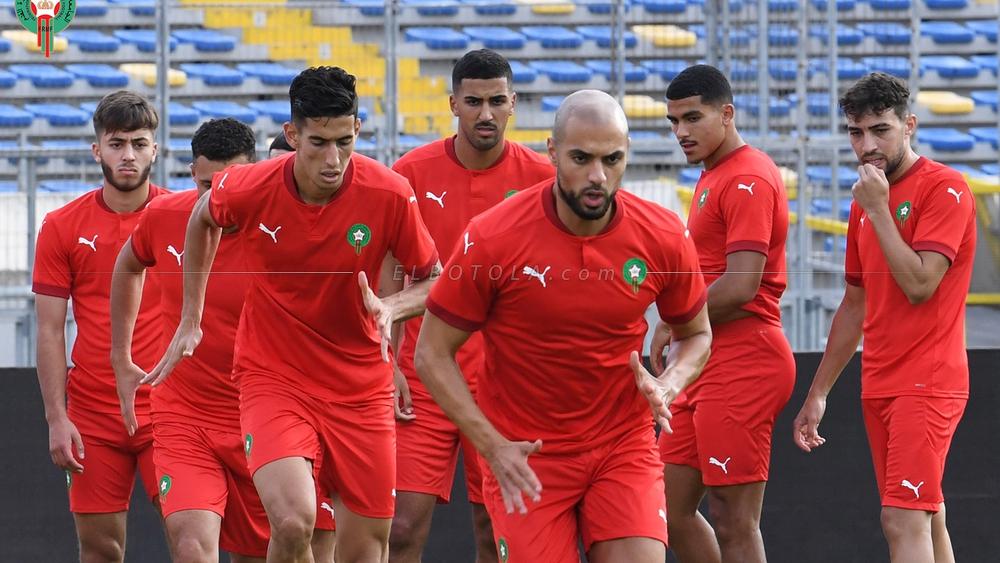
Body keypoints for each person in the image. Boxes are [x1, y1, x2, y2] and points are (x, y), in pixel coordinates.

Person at [149, 66, 440, 563]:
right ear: (292, 135)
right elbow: (202, 218)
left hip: (359, 387)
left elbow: (434, 278)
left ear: (358, 129)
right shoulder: (250, 184)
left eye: (345, 142)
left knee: (366, 549)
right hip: (273, 377)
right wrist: (190, 318)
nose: (333, 160)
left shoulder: (390, 193)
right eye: (318, 143)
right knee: (291, 520)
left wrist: (390, 307)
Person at [414, 89, 713, 563]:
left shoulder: (663, 234)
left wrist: (670, 382)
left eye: (612, 159)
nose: (597, 176)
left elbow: (696, 334)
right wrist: (493, 447)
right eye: (581, 158)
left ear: (627, 154)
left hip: (622, 447)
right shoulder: (493, 236)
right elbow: (431, 353)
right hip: (527, 455)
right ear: (552, 152)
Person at [793, 72, 976, 563]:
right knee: (927, 516)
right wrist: (818, 393)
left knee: (902, 519)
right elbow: (854, 304)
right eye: (856, 132)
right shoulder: (865, 201)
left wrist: (878, 210)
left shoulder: (945, 188)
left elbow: (920, 285)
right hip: (880, 381)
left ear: (908, 125)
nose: (867, 145)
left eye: (880, 130)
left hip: (928, 381)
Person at [385, 48, 554, 563]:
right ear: (453, 104)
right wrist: (388, 360)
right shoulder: (410, 173)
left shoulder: (543, 177)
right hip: (424, 373)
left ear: (513, 104)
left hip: (505, 381)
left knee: (493, 528)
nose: (486, 113)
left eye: (497, 101)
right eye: (474, 101)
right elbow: (392, 274)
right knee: (401, 526)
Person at [109, 117, 268, 563]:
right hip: (185, 415)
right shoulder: (164, 216)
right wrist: (121, 357)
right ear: (191, 173)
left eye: (231, 184)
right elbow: (128, 266)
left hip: (262, 417)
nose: (218, 200)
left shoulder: (282, 228)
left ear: (255, 175)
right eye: (206, 185)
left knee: (261, 554)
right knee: (191, 548)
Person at [655, 64, 795, 563]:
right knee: (665, 510)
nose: (681, 132)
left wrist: (674, 318)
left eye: (693, 118)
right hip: (705, 359)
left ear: (727, 114)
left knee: (734, 520)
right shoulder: (715, 174)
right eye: (674, 121)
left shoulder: (748, 177)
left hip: (745, 358)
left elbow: (741, 285)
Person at [32, 90, 168, 562]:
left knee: (192, 541)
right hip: (93, 414)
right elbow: (49, 329)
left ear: (155, 149)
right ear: (97, 150)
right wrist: (57, 417)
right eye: (116, 144)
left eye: (139, 143)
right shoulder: (62, 225)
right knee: (100, 550)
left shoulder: (183, 217)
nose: (128, 154)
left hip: (169, 410)